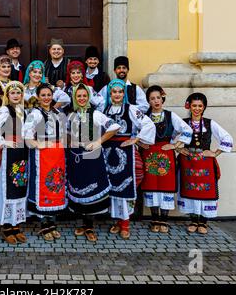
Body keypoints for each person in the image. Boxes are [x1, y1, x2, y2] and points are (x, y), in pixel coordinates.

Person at [66, 84, 120, 242]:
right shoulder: (71, 115)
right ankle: (83, 223)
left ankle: (90, 225)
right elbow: (68, 133)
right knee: (80, 186)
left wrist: (99, 141)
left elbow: (114, 127)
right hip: (76, 156)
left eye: (84, 96)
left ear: (88, 97)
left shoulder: (96, 114)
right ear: (75, 98)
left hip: (92, 156)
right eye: (79, 96)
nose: (81, 99)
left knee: (91, 186)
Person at [103, 79, 155, 239]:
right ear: (110, 94)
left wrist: (136, 139)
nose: (117, 94)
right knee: (112, 187)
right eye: (114, 92)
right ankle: (117, 221)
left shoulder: (131, 109)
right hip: (108, 152)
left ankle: (125, 223)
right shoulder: (105, 110)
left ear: (123, 94)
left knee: (125, 186)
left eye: (120, 92)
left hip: (126, 152)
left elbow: (148, 125)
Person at [177, 92, 233, 234]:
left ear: (204, 107)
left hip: (205, 164)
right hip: (188, 163)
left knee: (205, 191)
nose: (197, 108)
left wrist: (215, 153)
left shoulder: (209, 123)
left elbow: (226, 137)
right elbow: (170, 138)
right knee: (190, 189)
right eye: (194, 105)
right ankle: (193, 220)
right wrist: (179, 148)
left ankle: (203, 222)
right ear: (189, 106)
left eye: (200, 106)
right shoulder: (183, 122)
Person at [141, 85, 192, 233]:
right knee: (151, 186)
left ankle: (164, 220)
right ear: (148, 101)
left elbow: (187, 129)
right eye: (152, 99)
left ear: (162, 98)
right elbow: (134, 132)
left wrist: (175, 145)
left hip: (166, 154)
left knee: (165, 187)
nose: (156, 101)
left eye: (158, 97)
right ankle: (154, 219)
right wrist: (140, 143)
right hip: (149, 154)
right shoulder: (145, 117)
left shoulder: (170, 116)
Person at [0, 81, 29, 244]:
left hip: (22, 153)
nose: (16, 96)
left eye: (19, 93)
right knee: (7, 187)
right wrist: (3, 142)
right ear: (7, 96)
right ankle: (6, 227)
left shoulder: (23, 111)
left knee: (19, 186)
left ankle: (16, 225)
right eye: (13, 93)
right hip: (9, 153)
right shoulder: (4, 110)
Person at [23, 83, 67, 241]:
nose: (47, 98)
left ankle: (52, 223)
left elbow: (63, 134)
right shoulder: (34, 114)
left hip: (57, 155)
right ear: (38, 97)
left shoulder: (58, 112)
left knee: (56, 184)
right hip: (41, 155)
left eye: (49, 95)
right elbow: (26, 136)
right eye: (43, 95)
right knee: (43, 185)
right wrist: (38, 145)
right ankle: (44, 224)